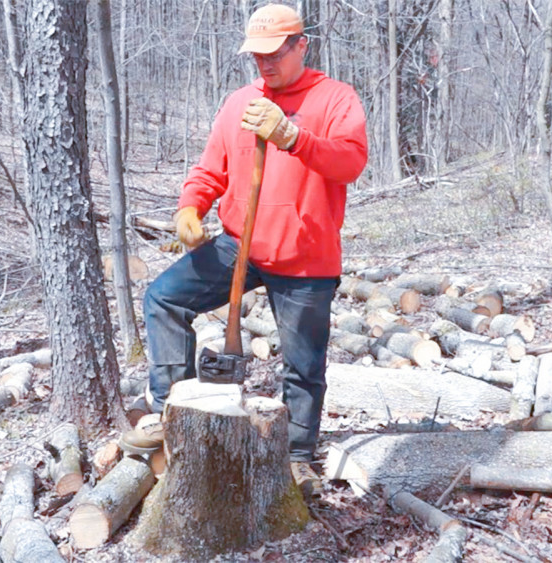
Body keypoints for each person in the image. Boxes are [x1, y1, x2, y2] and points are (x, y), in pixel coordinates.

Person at [121, 3, 368, 496]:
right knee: (163, 298)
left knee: (303, 365)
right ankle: (172, 411)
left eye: (275, 53)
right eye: (257, 55)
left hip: (306, 256)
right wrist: (189, 207)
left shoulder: (334, 98)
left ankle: (298, 454)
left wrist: (292, 136)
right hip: (242, 245)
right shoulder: (239, 103)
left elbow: (350, 162)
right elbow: (211, 169)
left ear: (302, 45)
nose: (265, 64)